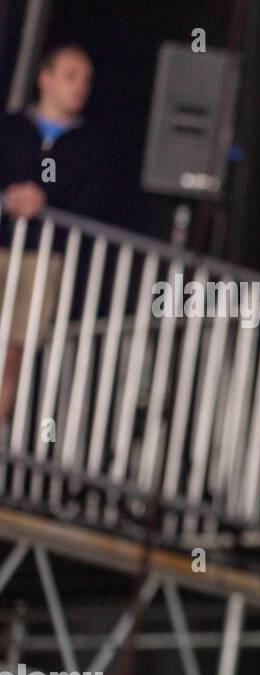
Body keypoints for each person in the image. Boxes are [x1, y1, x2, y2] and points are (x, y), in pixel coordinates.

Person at [0, 42, 111, 420]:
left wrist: (46, 200)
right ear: (45, 79)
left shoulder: (91, 144)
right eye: (70, 76)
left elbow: (96, 201)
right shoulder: (11, 127)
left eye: (86, 80)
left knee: (14, 349)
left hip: (43, 258)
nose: (80, 86)